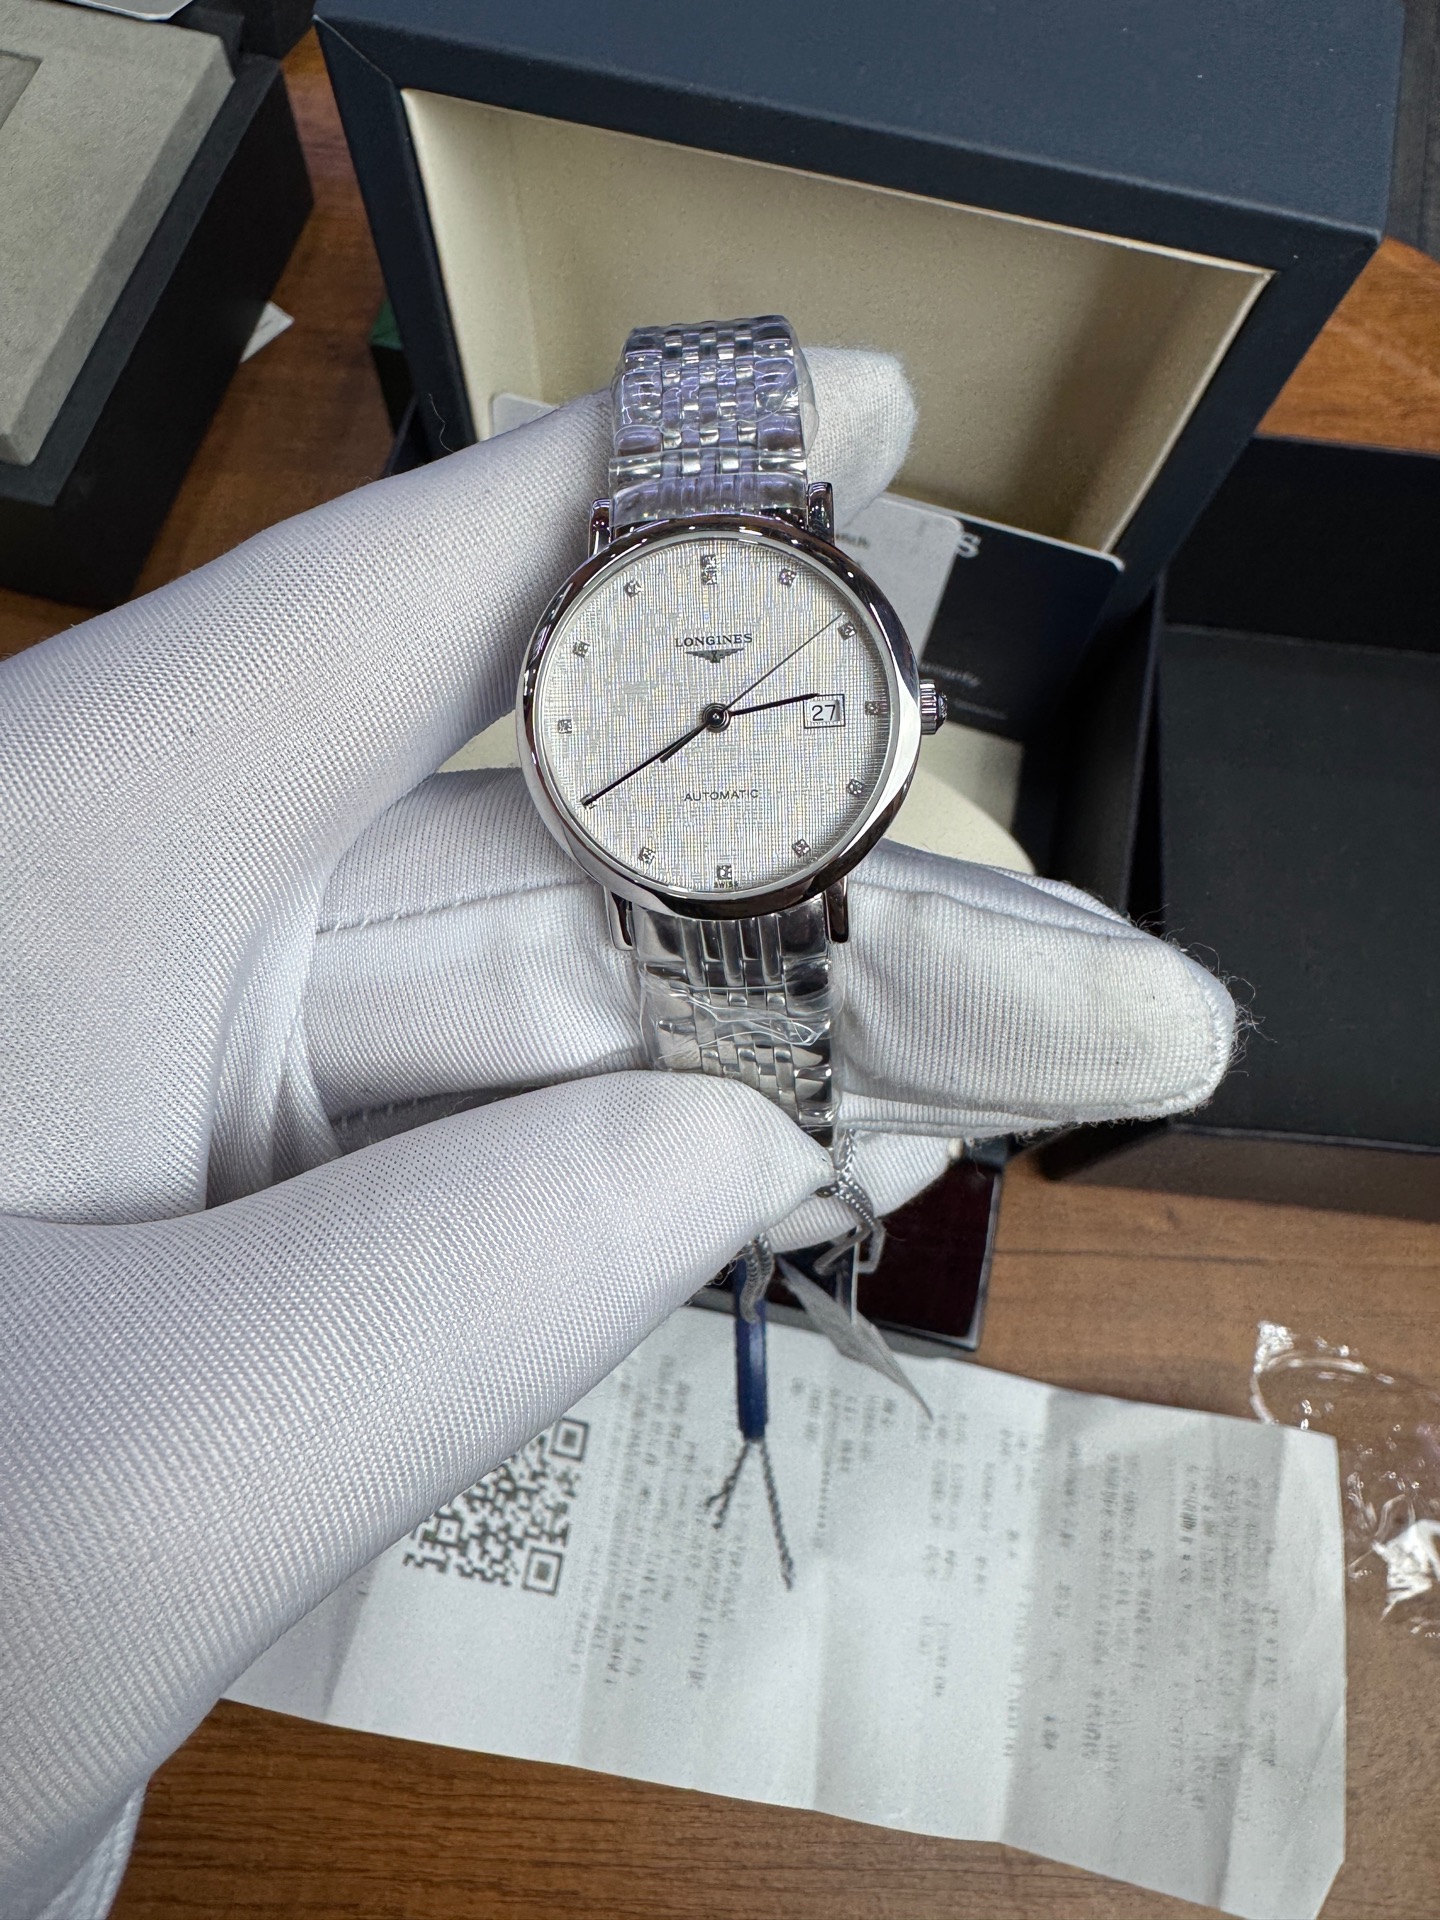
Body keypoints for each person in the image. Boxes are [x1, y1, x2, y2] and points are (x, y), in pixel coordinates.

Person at [0, 350, 1233, 1917]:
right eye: (699, 707)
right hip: (672, 868)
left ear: (902, 716)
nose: (715, 712)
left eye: (755, 701)